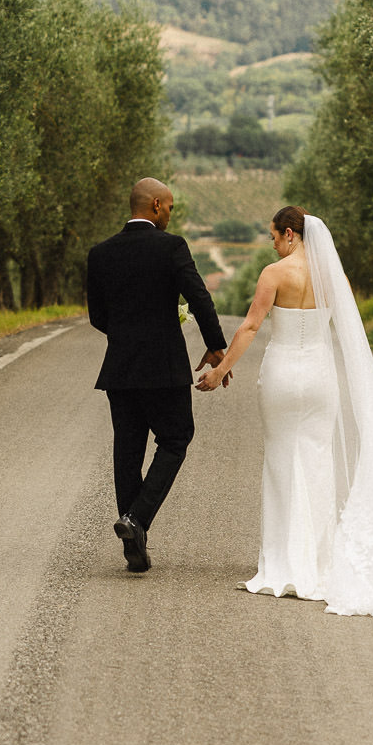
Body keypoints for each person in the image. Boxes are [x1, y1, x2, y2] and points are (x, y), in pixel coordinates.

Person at [197, 205, 373, 617]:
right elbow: (345, 330)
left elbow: (250, 328)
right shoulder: (335, 276)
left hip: (281, 376)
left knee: (280, 461)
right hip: (319, 377)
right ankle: (316, 562)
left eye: (275, 236)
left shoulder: (273, 274)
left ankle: (281, 561)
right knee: (316, 462)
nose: (273, 243)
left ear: (291, 234)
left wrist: (221, 369)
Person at [86, 177, 228, 573]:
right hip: (164, 369)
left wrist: (129, 336)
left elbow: (98, 317)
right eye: (168, 207)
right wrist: (217, 346)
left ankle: (134, 535)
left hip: (120, 370)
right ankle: (136, 521)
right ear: (154, 206)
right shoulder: (172, 247)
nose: (169, 213)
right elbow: (199, 297)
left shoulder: (100, 253)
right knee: (176, 438)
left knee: (127, 450)